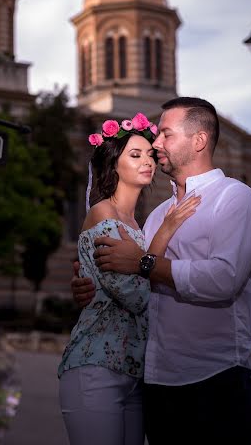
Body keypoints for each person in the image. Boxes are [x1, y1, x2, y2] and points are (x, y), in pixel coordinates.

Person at [72, 97, 251, 445]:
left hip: (216, 379)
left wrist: (145, 263)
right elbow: (131, 282)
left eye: (165, 134)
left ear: (199, 141)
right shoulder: (158, 214)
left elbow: (223, 280)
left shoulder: (236, 199)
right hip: (157, 383)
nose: (156, 143)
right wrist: (92, 282)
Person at [58, 111, 200, 445]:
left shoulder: (139, 224)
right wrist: (166, 231)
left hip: (136, 374)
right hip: (95, 367)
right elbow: (138, 297)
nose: (147, 160)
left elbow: (142, 279)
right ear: (113, 165)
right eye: (134, 155)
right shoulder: (103, 213)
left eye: (150, 154)